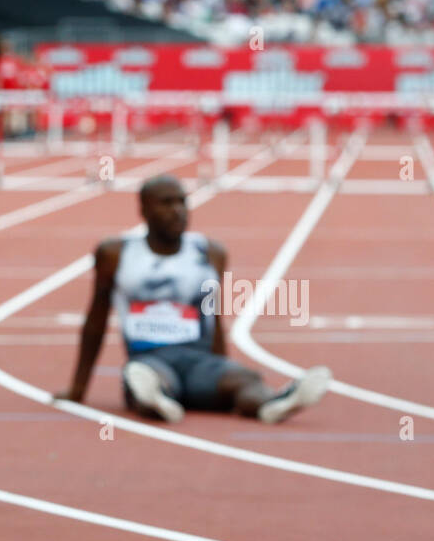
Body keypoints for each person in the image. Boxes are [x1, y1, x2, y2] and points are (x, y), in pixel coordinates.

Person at [56, 175, 330, 423]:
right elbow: (96, 319)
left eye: (182, 202)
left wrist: (224, 366)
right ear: (144, 210)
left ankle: (273, 403)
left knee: (244, 379)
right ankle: (155, 399)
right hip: (150, 359)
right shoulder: (116, 254)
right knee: (144, 378)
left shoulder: (209, 252)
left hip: (199, 361)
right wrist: (78, 389)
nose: (177, 210)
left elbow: (212, 315)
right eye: (166, 203)